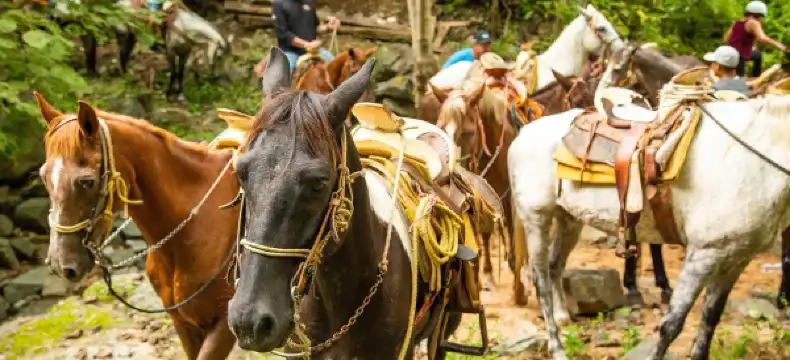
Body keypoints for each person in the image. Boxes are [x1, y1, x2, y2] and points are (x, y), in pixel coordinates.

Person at [269, 0, 340, 71]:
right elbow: (283, 34)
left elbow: (314, 28)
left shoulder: (309, 2)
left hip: (313, 51)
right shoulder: (279, 4)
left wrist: (328, 26)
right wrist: (306, 44)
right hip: (290, 52)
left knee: (337, 67)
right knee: (284, 76)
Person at [724, 1, 786, 78]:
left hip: (731, 53)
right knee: (739, 81)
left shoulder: (737, 22)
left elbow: (726, 39)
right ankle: (756, 77)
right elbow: (762, 38)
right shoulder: (754, 22)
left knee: (757, 55)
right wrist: (778, 45)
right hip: (740, 55)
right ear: (759, 14)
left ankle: (754, 77)